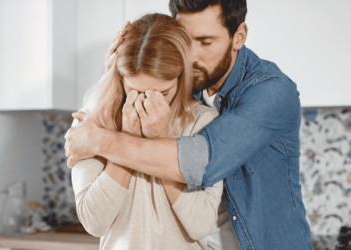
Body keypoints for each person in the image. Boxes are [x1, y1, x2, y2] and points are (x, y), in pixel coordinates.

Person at [66, 0, 314, 249]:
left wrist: (98, 140)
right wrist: (114, 71)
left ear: (239, 37)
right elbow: (143, 74)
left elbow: (199, 162)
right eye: (185, 40)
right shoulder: (182, 86)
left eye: (205, 42)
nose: (191, 56)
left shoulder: (272, 91)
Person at [71, 13, 228, 250]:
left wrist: (161, 141)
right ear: (120, 76)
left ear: (181, 77)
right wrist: (127, 139)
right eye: (135, 90)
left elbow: (200, 224)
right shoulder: (93, 123)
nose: (146, 103)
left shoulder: (205, 124)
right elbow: (95, 222)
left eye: (162, 93)